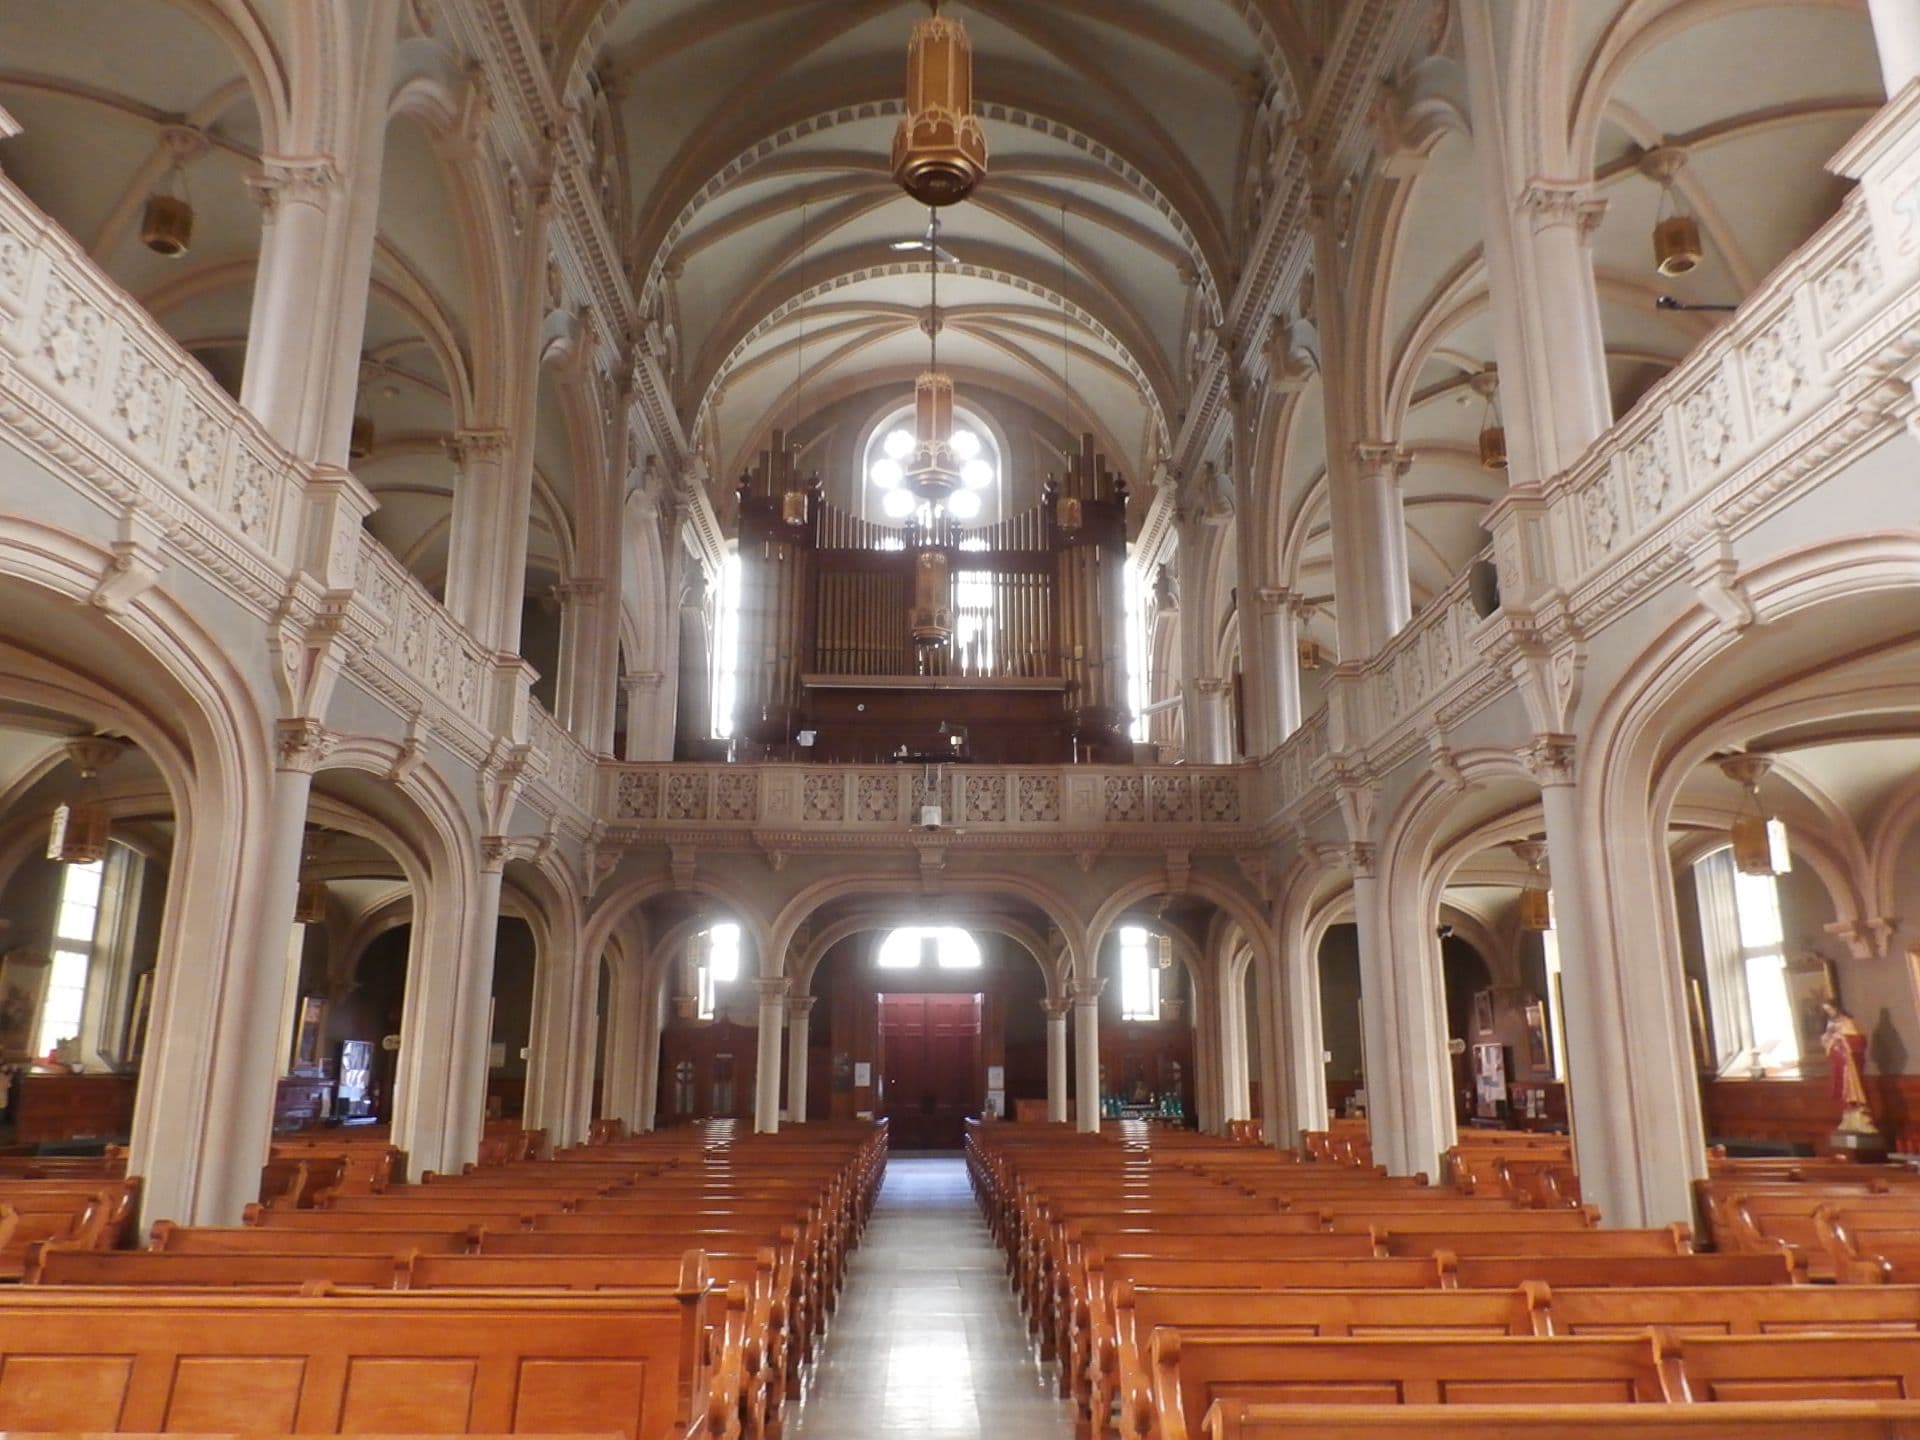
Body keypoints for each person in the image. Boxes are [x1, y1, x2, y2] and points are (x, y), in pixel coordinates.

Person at [1821, 1001, 1879, 1134]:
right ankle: (1848, 1117)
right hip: (1838, 1063)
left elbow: (1858, 1041)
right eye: (1826, 1011)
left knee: (1853, 1088)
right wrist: (1828, 1038)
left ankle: (1860, 1116)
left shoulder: (1847, 1022)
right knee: (1843, 1091)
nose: (1829, 1013)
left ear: (1836, 1008)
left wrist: (1841, 1037)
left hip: (1849, 1063)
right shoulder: (1830, 1024)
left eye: (1830, 1009)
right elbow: (1826, 1043)